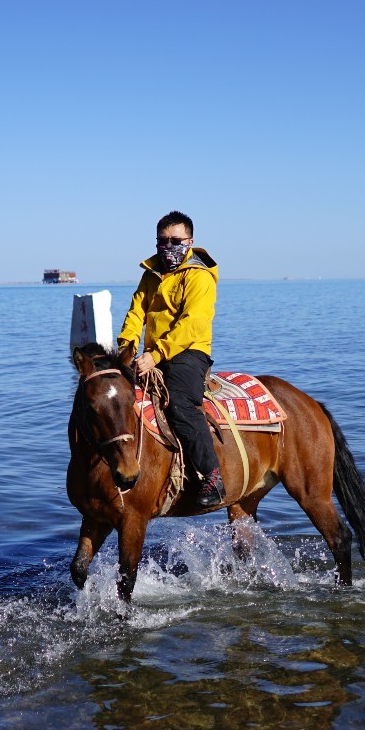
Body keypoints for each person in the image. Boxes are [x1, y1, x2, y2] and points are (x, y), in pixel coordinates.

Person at [116, 211, 224, 510]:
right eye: (163, 241)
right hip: (153, 353)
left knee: (179, 403)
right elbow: (136, 310)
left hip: (188, 351)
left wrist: (155, 355)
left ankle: (212, 479)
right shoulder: (150, 274)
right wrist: (126, 346)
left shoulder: (199, 276)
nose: (169, 246)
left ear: (190, 241)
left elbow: (193, 324)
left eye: (176, 240)